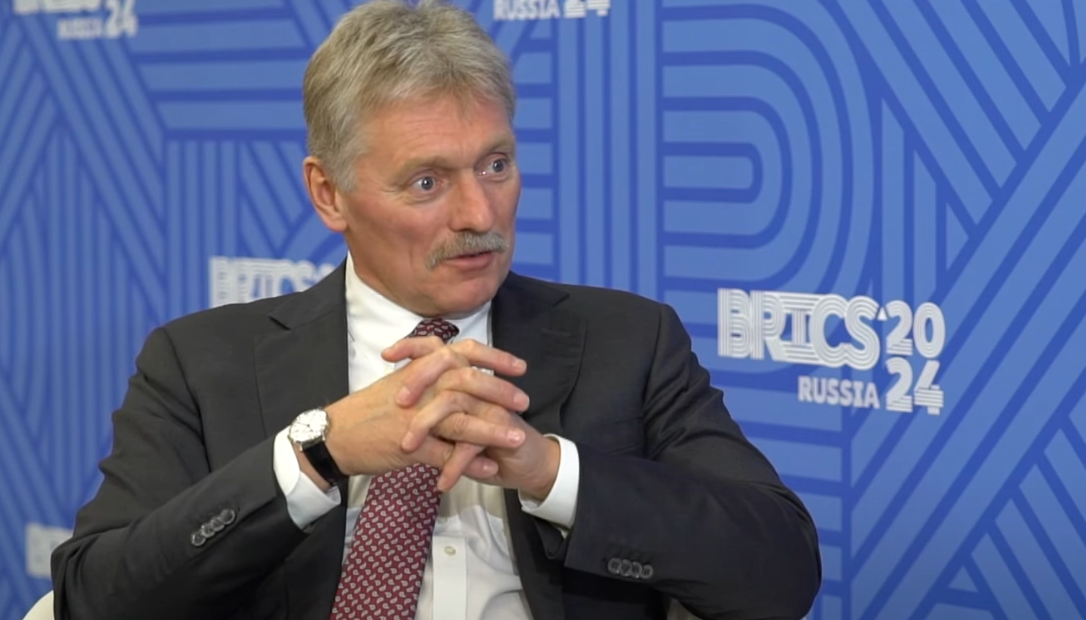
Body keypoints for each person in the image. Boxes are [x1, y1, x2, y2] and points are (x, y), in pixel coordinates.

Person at [50, 1, 821, 618]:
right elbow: (96, 597)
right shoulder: (199, 363)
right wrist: (318, 454)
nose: (479, 214)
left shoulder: (628, 343)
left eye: (496, 165)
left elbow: (781, 575)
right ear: (329, 194)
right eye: (427, 182)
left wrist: (552, 472)